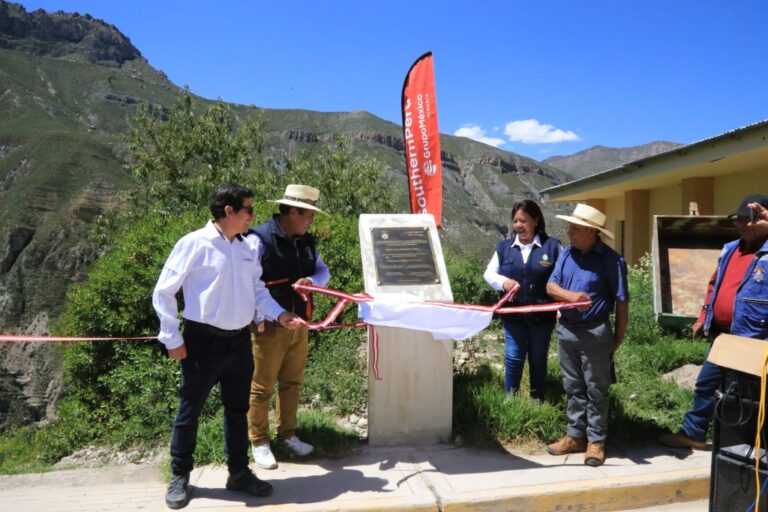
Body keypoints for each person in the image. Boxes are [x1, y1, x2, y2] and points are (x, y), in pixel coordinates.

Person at [152, 184, 303, 510]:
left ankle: (238, 473)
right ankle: (180, 475)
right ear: (229, 211)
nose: (253, 215)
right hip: (201, 341)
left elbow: (258, 291)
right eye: (248, 209)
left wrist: (280, 314)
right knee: (189, 410)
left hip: (239, 342)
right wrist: (172, 338)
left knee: (237, 410)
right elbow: (164, 291)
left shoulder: (248, 247)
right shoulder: (194, 243)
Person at [659, 194, 768, 450]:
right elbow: (714, 284)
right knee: (707, 383)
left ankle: (751, 443)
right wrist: (703, 315)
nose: (743, 225)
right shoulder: (730, 248)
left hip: (755, 337)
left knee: (752, 394)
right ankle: (694, 433)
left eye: (751, 220)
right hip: (724, 337)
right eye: (739, 220)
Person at [247, 184, 330, 470]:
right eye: (309, 214)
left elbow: (322, 270)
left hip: (300, 323)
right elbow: (251, 286)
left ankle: (287, 435)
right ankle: (258, 441)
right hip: (268, 326)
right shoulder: (257, 240)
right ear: (293, 212)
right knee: (262, 387)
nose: (312, 221)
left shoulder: (307, 242)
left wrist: (314, 283)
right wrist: (274, 315)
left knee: (292, 383)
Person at [545, 203, 629, 467]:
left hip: (595, 331)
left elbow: (622, 301)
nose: (569, 232)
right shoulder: (567, 253)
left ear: (592, 232)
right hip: (567, 329)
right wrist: (570, 297)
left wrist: (619, 336)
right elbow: (551, 286)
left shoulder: (612, 261)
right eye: (570, 227)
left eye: (575, 229)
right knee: (573, 386)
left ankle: (596, 441)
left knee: (597, 388)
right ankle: (575, 435)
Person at [483, 199, 562, 400]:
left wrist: (562, 305)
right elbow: (489, 274)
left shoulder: (552, 247)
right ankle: (511, 399)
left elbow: (562, 276)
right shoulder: (504, 248)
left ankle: (537, 398)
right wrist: (503, 282)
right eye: (515, 221)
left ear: (536, 220)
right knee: (513, 356)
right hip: (514, 316)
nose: (518, 225)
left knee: (538, 357)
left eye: (523, 220)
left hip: (542, 317)